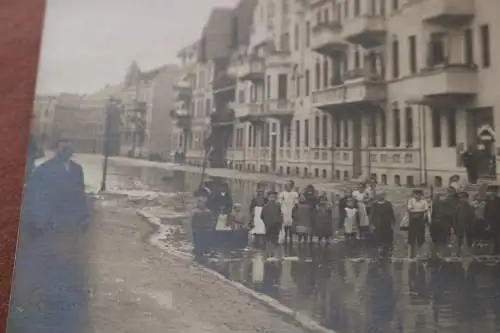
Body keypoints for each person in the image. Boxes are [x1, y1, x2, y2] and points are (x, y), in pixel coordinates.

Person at [11, 139, 89, 333]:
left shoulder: (77, 170)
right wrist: (44, 224)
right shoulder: (44, 170)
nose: (67, 148)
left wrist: (83, 219)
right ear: (57, 147)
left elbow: (81, 196)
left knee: (66, 270)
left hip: (69, 230)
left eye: (70, 145)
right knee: (46, 272)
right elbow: (35, 201)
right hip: (49, 230)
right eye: (63, 144)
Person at [430, 188, 457, 258]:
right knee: (444, 242)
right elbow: (451, 215)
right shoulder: (449, 202)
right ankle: (443, 256)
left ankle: (436, 256)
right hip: (443, 225)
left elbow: (432, 215)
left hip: (437, 224)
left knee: (437, 242)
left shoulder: (438, 203)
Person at [406, 189, 429, 259]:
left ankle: (420, 253)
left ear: (421, 195)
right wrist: (414, 211)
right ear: (414, 195)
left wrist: (422, 215)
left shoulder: (424, 202)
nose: (418, 196)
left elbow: (426, 210)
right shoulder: (411, 200)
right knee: (411, 237)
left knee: (421, 236)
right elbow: (409, 208)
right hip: (413, 219)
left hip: (420, 219)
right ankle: (411, 254)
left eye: (419, 195)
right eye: (416, 194)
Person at [260, 191, 283, 257]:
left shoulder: (265, 206)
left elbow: (261, 216)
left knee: (268, 240)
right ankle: (274, 255)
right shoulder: (278, 206)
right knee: (275, 240)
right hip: (275, 226)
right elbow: (279, 217)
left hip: (268, 226)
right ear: (275, 198)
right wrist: (280, 225)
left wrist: (266, 223)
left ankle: (268, 254)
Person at [453, 191, 475, 256]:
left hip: (462, 225)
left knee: (461, 239)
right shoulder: (468, 206)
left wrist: (455, 226)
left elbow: (455, 217)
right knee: (467, 240)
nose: (461, 199)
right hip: (466, 225)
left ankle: (459, 252)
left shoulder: (459, 206)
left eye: (462, 197)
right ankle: (466, 252)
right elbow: (473, 217)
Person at [484, 185, 500, 254]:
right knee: (492, 237)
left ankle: (496, 250)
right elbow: (486, 213)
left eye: (490, 191)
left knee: (497, 237)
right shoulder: (487, 201)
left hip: (497, 221)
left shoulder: (498, 200)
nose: (489, 193)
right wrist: (487, 223)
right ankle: (493, 251)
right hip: (490, 222)